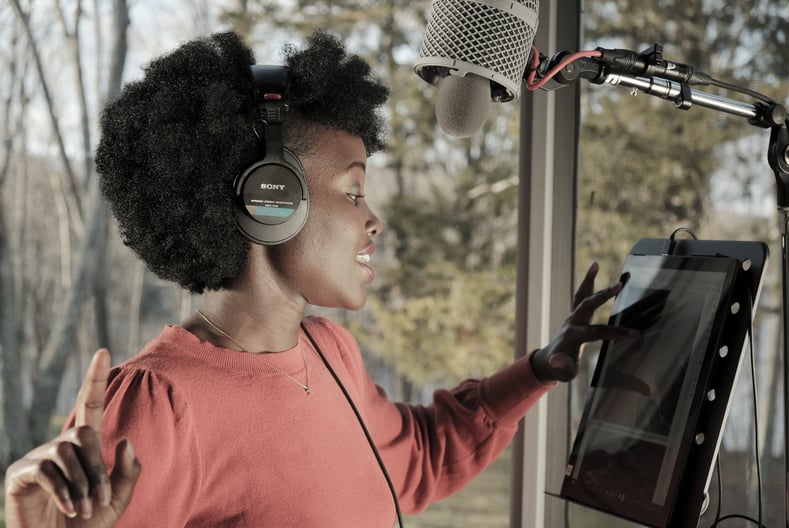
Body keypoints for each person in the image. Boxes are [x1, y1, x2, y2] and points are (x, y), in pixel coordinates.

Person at [3, 30, 634, 527]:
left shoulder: (330, 353)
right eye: (353, 191)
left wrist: (540, 369)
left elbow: (419, 458)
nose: (374, 220)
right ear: (270, 199)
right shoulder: (158, 406)